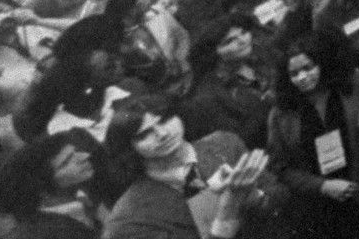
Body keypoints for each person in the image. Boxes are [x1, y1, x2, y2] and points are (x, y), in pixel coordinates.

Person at [266, 32, 359, 239]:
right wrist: (322, 186)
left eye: (308, 68)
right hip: (326, 211)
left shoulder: (357, 81)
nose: (302, 78)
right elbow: (280, 168)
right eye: (294, 74)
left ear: (321, 63)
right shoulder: (280, 115)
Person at [98, 94, 273, 238]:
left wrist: (254, 195)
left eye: (165, 120)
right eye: (144, 134)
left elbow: (279, 196)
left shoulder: (224, 143)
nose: (163, 134)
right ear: (129, 147)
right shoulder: (130, 217)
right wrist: (226, 215)